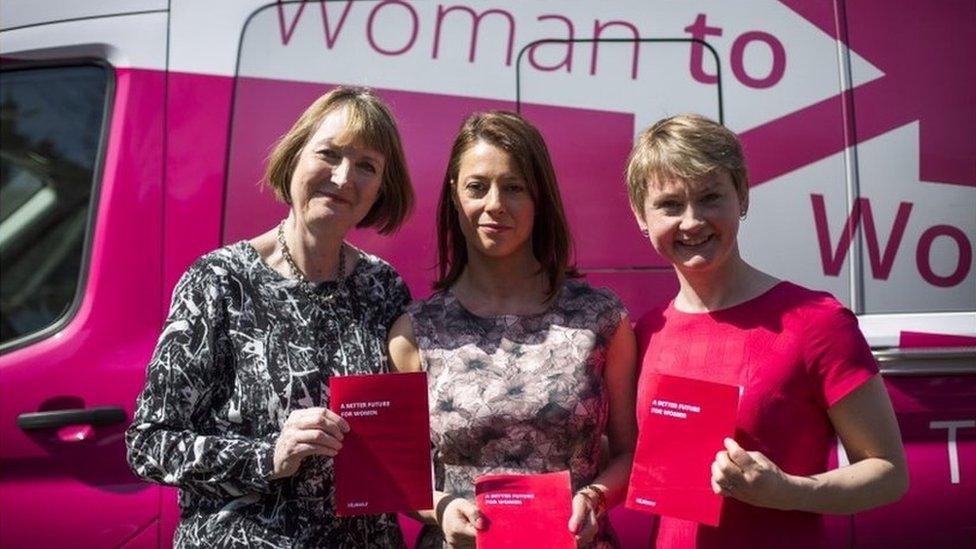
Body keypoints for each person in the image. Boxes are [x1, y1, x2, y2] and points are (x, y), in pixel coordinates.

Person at [125, 87, 414, 548]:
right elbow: (149, 444)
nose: (344, 177)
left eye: (367, 166)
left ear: (381, 187)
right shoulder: (219, 281)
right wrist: (267, 455)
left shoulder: (383, 287)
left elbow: (407, 439)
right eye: (329, 154)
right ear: (294, 156)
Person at [625, 114, 909, 547]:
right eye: (670, 205)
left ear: (742, 196)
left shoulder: (816, 321)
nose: (692, 221)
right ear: (641, 216)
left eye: (710, 197)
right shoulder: (647, 331)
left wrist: (789, 491)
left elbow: (888, 472)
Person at [388, 111, 637, 548]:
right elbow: (396, 473)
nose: (495, 203)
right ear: (454, 194)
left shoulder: (601, 318)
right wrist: (442, 509)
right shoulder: (414, 332)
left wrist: (595, 500)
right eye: (477, 186)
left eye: (514, 187)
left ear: (539, 197)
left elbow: (631, 454)